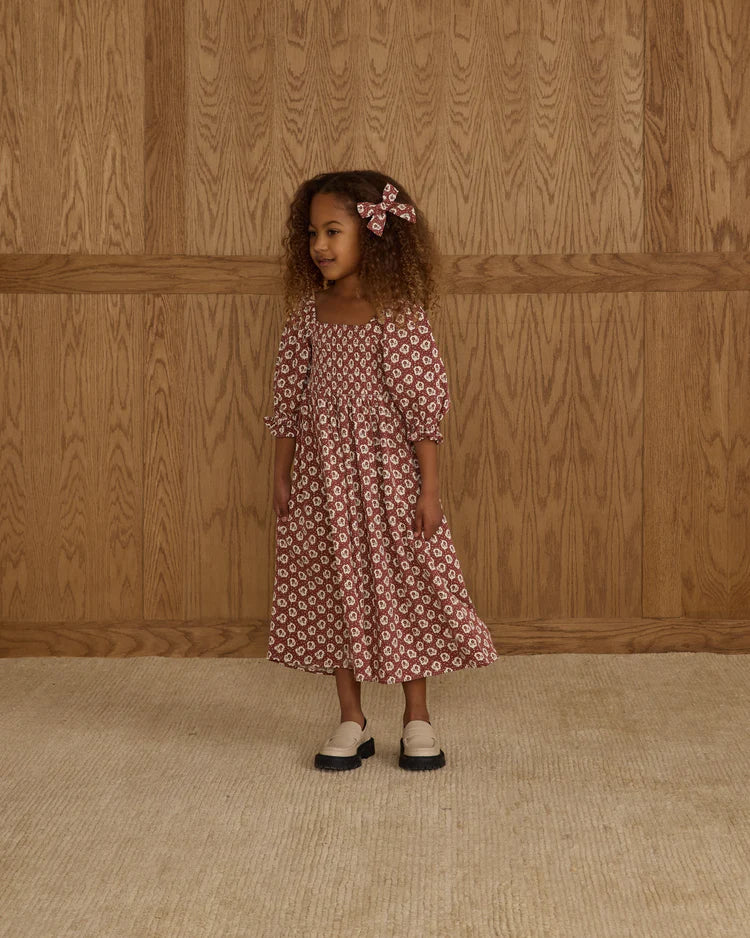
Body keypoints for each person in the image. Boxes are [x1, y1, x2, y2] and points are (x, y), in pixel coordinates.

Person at [263, 170, 498, 772]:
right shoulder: (309, 313)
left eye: (333, 231)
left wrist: (429, 490)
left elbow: (423, 407)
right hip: (323, 480)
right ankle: (352, 717)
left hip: (388, 474)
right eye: (311, 233)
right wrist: (282, 474)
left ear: (373, 235)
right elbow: (288, 398)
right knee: (334, 588)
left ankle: (417, 717)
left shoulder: (396, 313)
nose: (319, 245)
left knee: (406, 585)